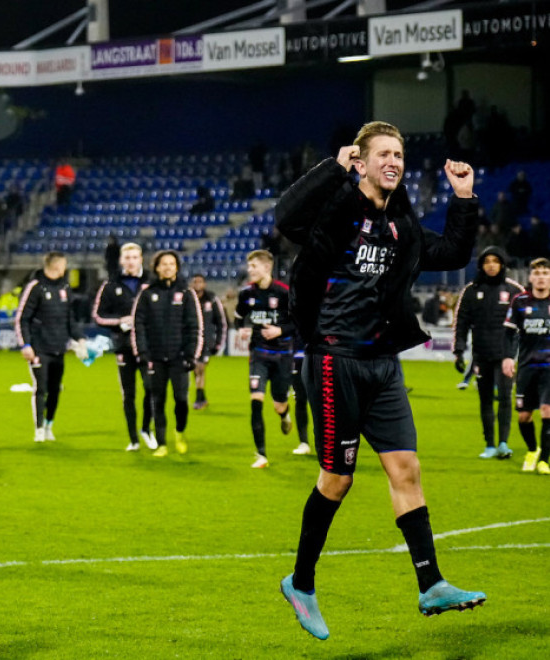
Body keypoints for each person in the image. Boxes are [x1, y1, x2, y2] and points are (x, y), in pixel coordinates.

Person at [275, 121, 485, 640]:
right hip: (334, 359)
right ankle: (301, 582)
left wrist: (463, 199)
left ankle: (431, 583)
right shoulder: (335, 212)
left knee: (407, 471)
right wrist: (332, 169)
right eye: (383, 154)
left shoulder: (402, 229)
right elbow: (286, 218)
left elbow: (454, 254)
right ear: (362, 161)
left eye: (400, 154)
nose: (394, 161)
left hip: (383, 364)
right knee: (338, 480)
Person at [452, 246, 521, 459]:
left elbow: (524, 323)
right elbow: (461, 322)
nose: (491, 265)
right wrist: (459, 351)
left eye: (495, 261)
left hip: (505, 356)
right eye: (487, 261)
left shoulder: (514, 290)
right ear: (481, 265)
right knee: (485, 401)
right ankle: (489, 444)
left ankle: (503, 443)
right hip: (481, 354)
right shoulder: (471, 291)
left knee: (505, 399)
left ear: (502, 264)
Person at [131, 250, 202, 457]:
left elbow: (194, 326)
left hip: (179, 358)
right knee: (157, 400)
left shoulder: (187, 293)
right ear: (157, 268)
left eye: (172, 264)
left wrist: (191, 355)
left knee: (181, 399)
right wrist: (142, 352)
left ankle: (179, 431)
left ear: (177, 267)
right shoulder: (147, 293)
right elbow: (139, 325)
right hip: (155, 358)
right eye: (164, 264)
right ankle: (161, 443)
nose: (168, 267)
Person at [233, 250, 298, 468]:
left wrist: (280, 330)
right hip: (258, 355)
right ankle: (261, 455)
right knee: (256, 401)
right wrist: (242, 330)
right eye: (249, 266)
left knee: (279, 403)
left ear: (267, 268)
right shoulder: (246, 294)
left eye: (254, 267)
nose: (250, 270)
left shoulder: (283, 293)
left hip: (282, 356)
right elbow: (238, 317)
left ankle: (284, 414)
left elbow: (298, 323)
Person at [16, 252, 85, 442]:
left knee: (55, 389)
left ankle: (49, 424)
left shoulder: (65, 287)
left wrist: (80, 339)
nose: (65, 268)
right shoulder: (35, 287)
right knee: (41, 388)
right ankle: (38, 428)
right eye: (64, 265)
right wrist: (26, 344)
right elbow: (22, 318)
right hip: (39, 348)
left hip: (59, 348)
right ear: (57, 266)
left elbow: (70, 318)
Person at [92, 243, 154, 450]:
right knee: (129, 394)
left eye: (134, 257)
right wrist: (120, 321)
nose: (130, 261)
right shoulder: (110, 284)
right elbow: (98, 316)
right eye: (127, 258)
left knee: (151, 389)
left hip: (149, 346)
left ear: (141, 259)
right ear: (120, 260)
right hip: (124, 346)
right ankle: (133, 439)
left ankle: (146, 429)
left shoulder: (152, 282)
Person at [502, 258, 550, 474]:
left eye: (545, 273)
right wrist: (508, 357)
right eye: (537, 273)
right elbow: (509, 333)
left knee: (547, 412)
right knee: (524, 415)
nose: (541, 277)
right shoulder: (519, 301)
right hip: (527, 366)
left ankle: (544, 461)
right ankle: (533, 450)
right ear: (530, 277)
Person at [189, 273, 227, 410]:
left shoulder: (211, 299)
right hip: (192, 341)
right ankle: (202, 397)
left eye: (200, 281)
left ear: (204, 284)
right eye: (195, 281)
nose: (197, 284)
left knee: (200, 369)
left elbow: (221, 322)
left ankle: (199, 400)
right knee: (194, 369)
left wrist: (218, 342)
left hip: (206, 342)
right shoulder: (188, 299)